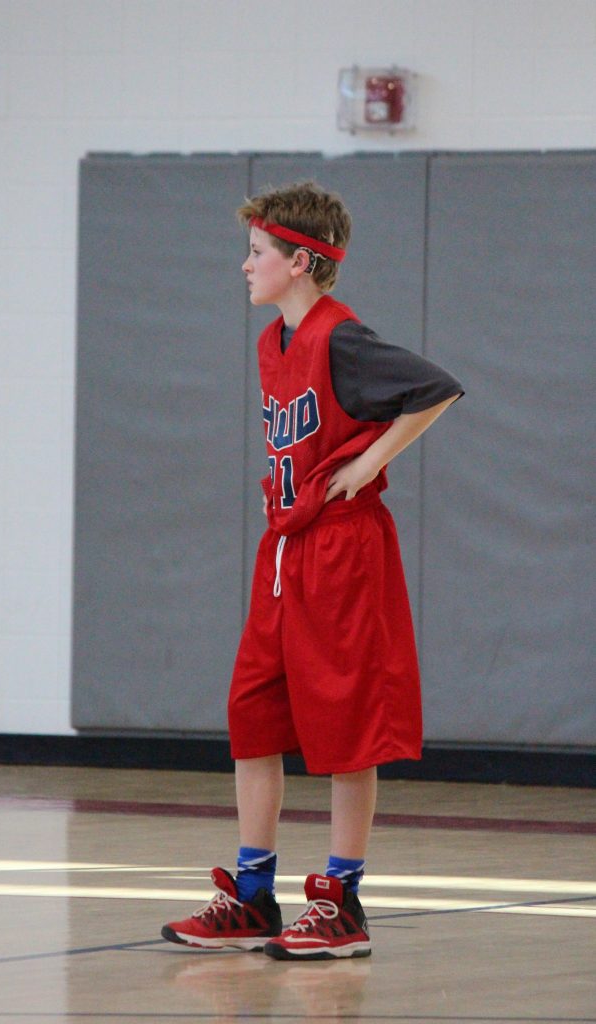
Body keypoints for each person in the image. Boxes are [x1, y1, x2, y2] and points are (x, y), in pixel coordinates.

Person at [161, 181, 463, 960]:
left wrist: (368, 463)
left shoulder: (341, 337)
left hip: (343, 547)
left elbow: (435, 389)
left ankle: (342, 900)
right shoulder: (273, 344)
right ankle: (253, 896)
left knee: (344, 726)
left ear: (300, 261)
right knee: (253, 715)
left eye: (256, 253)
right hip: (286, 551)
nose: (244, 266)